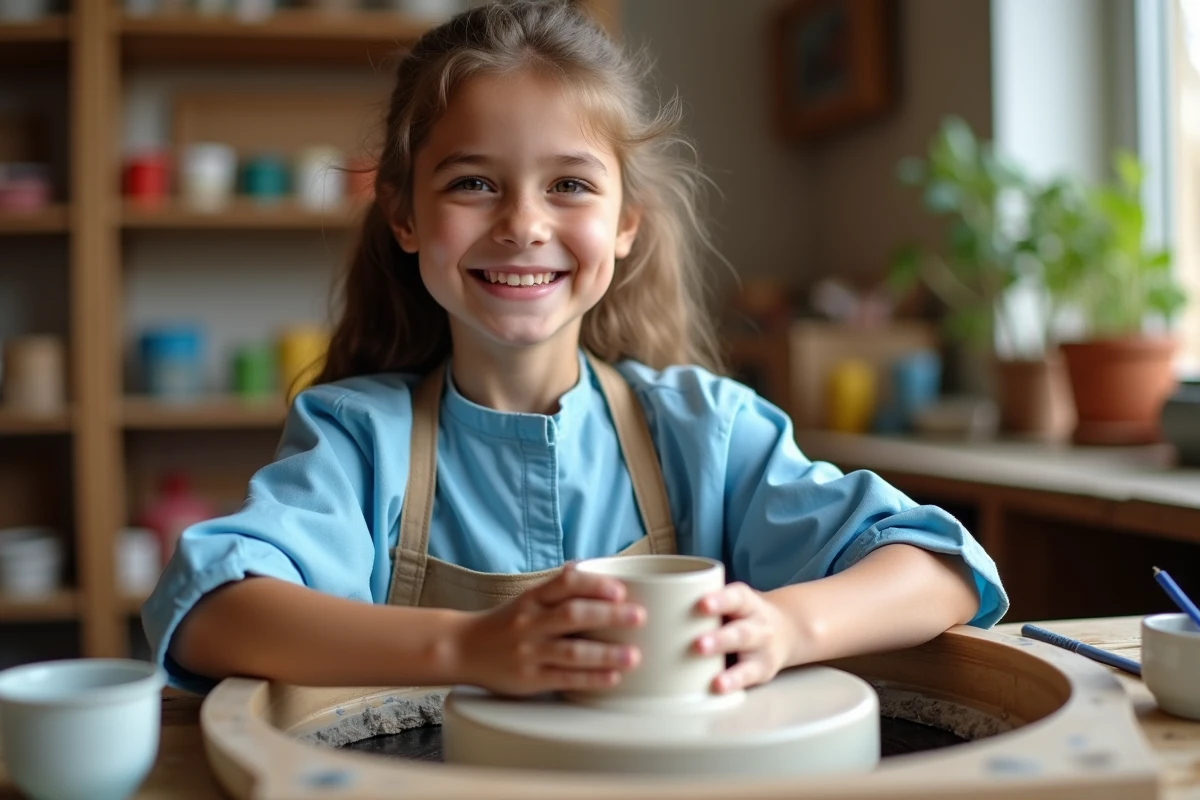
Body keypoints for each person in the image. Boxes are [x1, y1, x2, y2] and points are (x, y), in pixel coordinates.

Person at [142, 0, 1007, 697]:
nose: (523, 224)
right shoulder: (357, 438)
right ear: (404, 216)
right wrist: (468, 648)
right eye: (473, 182)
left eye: (568, 184)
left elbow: (939, 567)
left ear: (625, 223)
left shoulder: (703, 430)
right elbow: (212, 610)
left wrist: (788, 626)